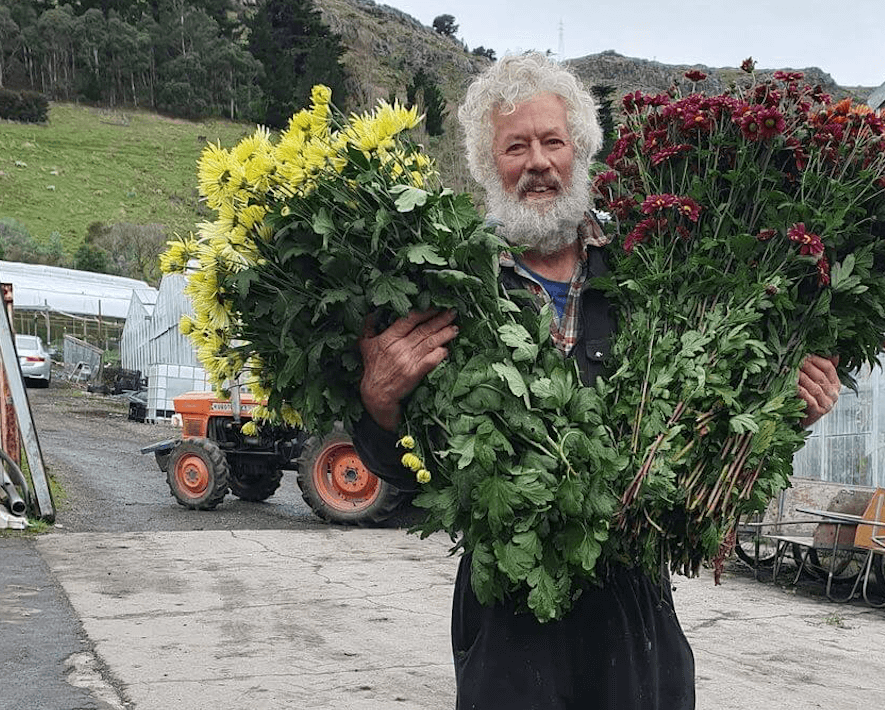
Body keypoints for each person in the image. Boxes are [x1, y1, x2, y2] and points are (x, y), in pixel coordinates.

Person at [352, 52, 841, 710]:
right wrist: (379, 404)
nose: (537, 162)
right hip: (509, 603)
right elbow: (411, 470)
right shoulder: (449, 285)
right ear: (487, 165)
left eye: (553, 141)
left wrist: (785, 410)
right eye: (514, 146)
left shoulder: (649, 270)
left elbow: (713, 424)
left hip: (634, 602)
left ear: (581, 151)